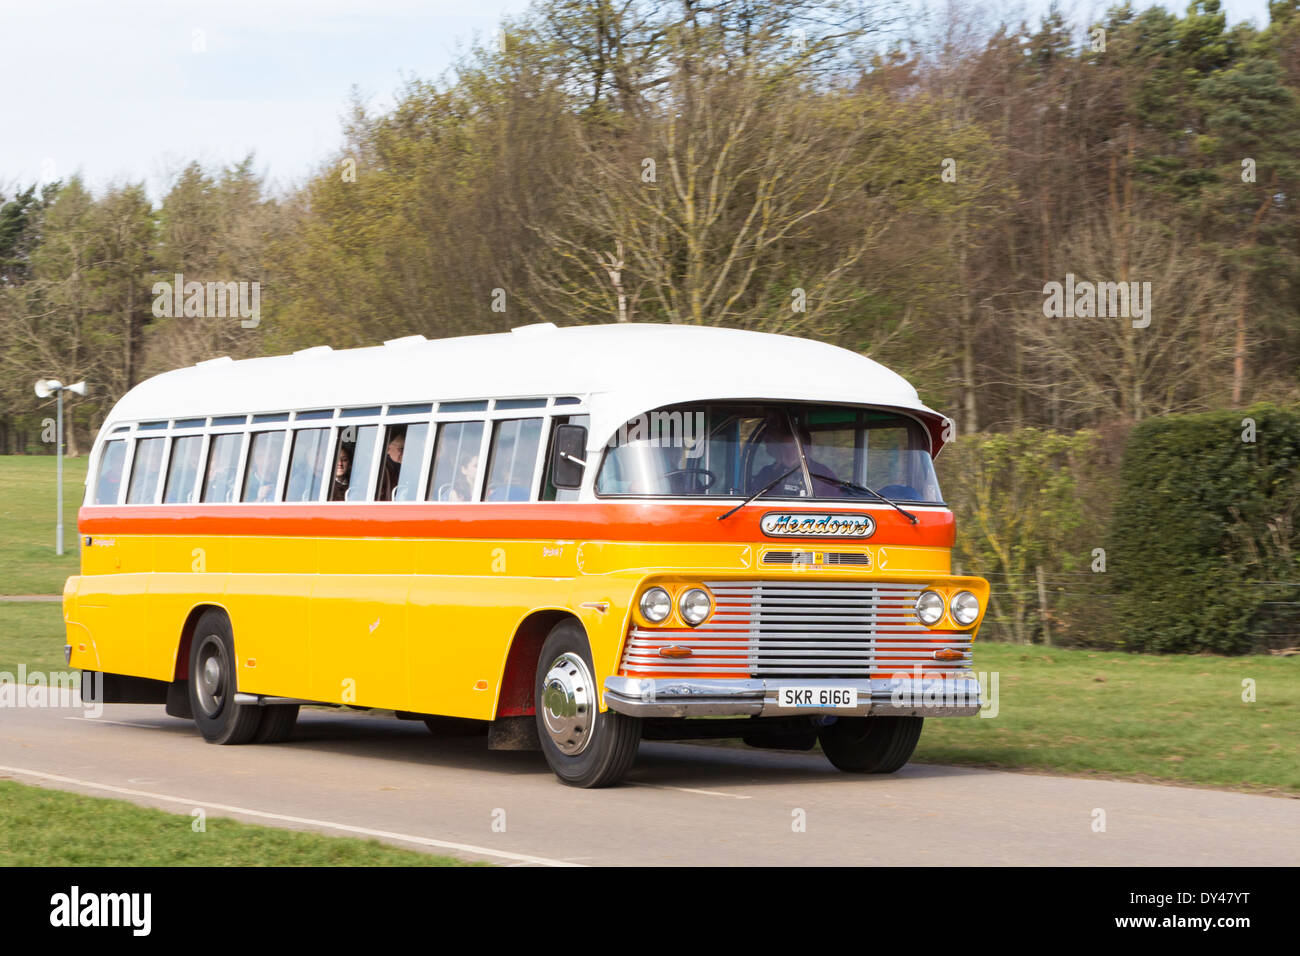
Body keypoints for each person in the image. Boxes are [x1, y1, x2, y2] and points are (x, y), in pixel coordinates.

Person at [375, 428, 405, 502]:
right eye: (401, 449)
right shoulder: (381, 468)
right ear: (387, 449)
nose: (405, 453)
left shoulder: (407, 466)